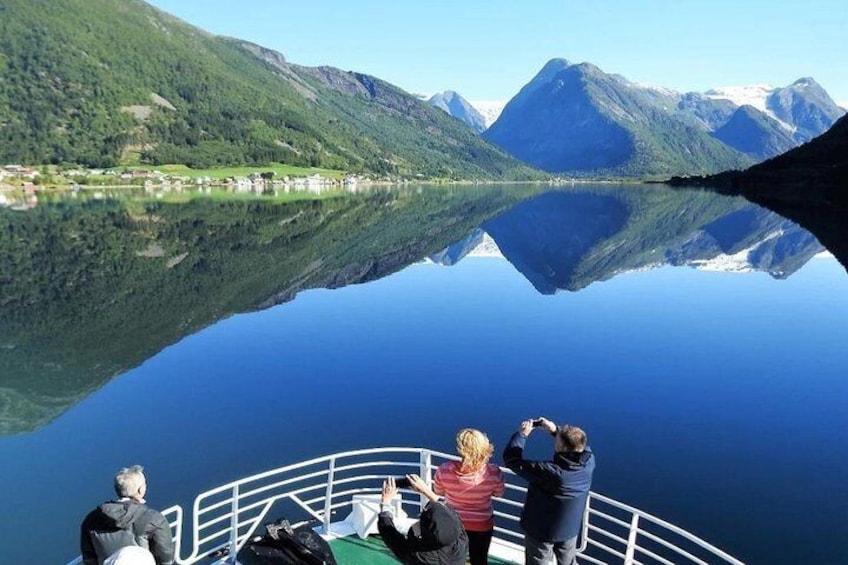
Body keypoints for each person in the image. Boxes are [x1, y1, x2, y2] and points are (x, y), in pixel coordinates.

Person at [503, 418, 595, 565]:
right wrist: (555, 430)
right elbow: (577, 446)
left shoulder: (549, 471)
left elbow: (511, 460)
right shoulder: (589, 462)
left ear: (562, 447)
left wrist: (522, 435)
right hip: (569, 528)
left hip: (541, 531)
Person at [433, 428, 505, 565]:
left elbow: (438, 491)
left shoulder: (444, 470)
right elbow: (498, 493)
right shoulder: (494, 472)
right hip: (482, 525)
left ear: (461, 449)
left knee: (451, 560)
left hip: (453, 524)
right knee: (479, 560)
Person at [80, 465, 176, 565]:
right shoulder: (154, 519)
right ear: (140, 490)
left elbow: (89, 559)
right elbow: (165, 557)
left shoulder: (91, 519)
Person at [377, 474, 468, 565]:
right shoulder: (461, 542)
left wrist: (385, 501)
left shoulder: (417, 555)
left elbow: (390, 535)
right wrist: (427, 492)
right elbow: (452, 516)